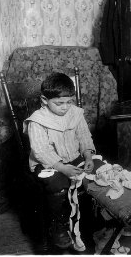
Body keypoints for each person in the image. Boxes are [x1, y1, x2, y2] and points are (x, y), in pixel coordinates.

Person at [24, 72, 103, 249]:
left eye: (69, 102)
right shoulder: (37, 121)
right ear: (44, 100)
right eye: (59, 103)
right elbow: (41, 151)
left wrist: (88, 155)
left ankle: (89, 218)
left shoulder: (75, 113)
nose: (65, 107)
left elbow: (84, 136)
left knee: (96, 174)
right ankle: (58, 225)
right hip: (49, 164)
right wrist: (62, 168)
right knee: (57, 185)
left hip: (75, 158)